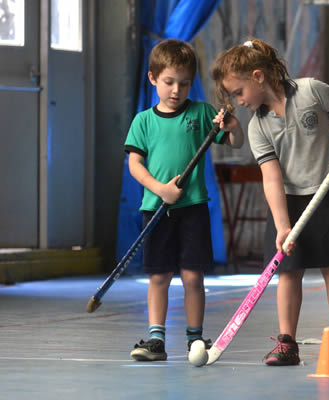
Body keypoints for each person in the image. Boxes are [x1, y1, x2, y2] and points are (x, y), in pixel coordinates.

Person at [211, 38, 329, 366]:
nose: (238, 101)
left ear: (258, 76)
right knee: (288, 272)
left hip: (327, 192)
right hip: (289, 202)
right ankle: (287, 343)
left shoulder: (311, 90)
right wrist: (282, 225)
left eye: (238, 92)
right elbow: (271, 176)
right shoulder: (258, 127)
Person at [125, 39, 244, 361]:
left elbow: (233, 142)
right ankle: (155, 339)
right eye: (168, 82)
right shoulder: (143, 121)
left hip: (193, 208)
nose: (176, 90)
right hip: (157, 209)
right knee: (159, 275)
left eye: (184, 83)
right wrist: (160, 188)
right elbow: (134, 164)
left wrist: (234, 128)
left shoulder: (203, 113)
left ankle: (195, 337)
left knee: (193, 275)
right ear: (153, 79)